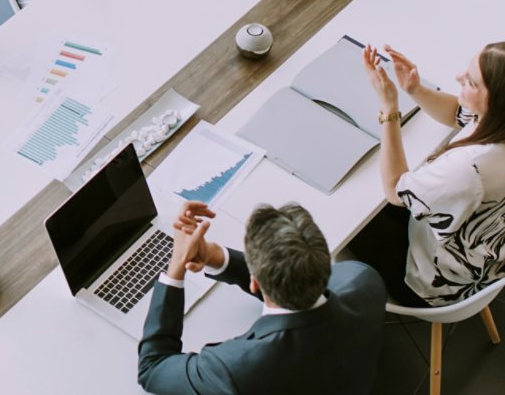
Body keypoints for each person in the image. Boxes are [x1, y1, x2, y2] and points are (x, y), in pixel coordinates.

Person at [138, 201, 385, 395]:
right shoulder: (363, 279)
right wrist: (216, 256)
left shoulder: (234, 369)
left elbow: (152, 368)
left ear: (255, 282)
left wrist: (176, 267)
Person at [352, 43, 505, 307]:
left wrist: (389, 109)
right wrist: (415, 89)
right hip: (482, 254)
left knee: (353, 214)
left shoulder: (470, 168)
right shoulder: (497, 119)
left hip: (432, 282)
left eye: (470, 82)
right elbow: (460, 115)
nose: (458, 77)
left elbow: (394, 189)